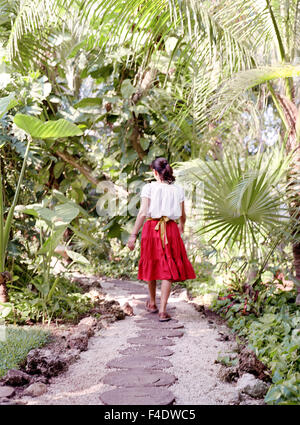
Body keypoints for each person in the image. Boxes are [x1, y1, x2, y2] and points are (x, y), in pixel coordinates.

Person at [127, 157, 196, 321]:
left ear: (155, 172)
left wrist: (133, 234)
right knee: (168, 268)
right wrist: (181, 226)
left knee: (151, 263)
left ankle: (152, 302)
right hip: (171, 229)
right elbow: (183, 215)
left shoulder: (149, 187)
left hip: (151, 228)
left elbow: (143, 213)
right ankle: (163, 311)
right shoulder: (178, 190)